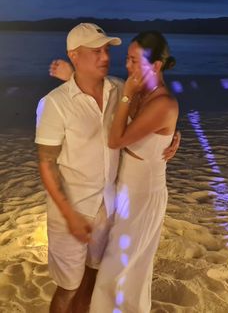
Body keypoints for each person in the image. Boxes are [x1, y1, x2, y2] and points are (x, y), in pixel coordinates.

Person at [36, 23, 180, 313]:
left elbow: (150, 116)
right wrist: (69, 215)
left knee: (98, 276)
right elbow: (46, 163)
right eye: (96, 51)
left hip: (114, 203)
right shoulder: (55, 103)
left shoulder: (119, 89)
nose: (106, 58)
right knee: (69, 286)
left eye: (106, 50)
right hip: (75, 208)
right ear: (75, 55)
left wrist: (172, 135)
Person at [88, 30, 179, 313]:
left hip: (143, 193)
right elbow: (99, 86)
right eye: (126, 59)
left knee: (120, 267)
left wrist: (126, 96)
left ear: (156, 66)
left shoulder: (162, 102)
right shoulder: (142, 91)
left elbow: (116, 140)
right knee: (123, 265)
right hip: (125, 187)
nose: (127, 67)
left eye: (134, 61)